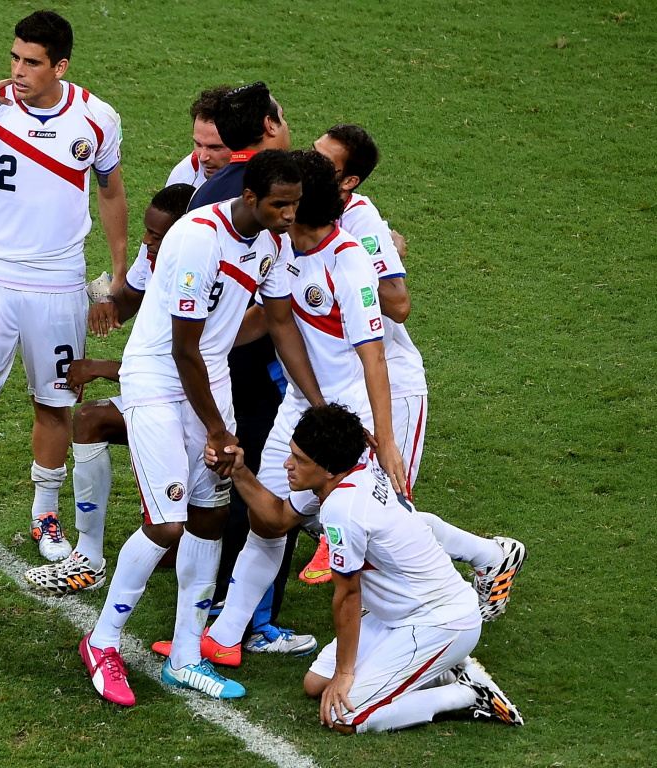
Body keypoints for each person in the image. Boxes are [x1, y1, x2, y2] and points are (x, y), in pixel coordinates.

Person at [79, 151, 324, 706]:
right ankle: (102, 641)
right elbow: (183, 347)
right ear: (251, 198)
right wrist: (218, 430)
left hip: (207, 383)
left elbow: (281, 321)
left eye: (295, 205)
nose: (290, 215)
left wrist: (318, 403)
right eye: (280, 205)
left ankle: (187, 656)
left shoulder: (272, 242)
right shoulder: (198, 237)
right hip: (160, 381)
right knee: (168, 525)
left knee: (210, 519)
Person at [0, 10, 129, 564]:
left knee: (55, 404)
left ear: (59, 65)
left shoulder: (96, 118)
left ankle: (45, 514)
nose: (17, 70)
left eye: (31, 62)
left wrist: (116, 274)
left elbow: (111, 194)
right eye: (14, 57)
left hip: (59, 286)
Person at [300, 125, 527, 602]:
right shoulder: (300, 205)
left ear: (349, 182)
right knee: (312, 501)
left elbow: (399, 304)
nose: (311, 162)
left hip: (390, 379)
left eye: (326, 162)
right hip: (342, 377)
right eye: (312, 152)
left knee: (385, 511)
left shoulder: (357, 218)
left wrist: (356, 254)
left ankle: (474, 573)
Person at [199, 150, 408, 668]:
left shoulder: (348, 260)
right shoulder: (278, 244)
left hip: (343, 423)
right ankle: (224, 636)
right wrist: (204, 348)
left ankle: (421, 627)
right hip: (298, 408)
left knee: (373, 540)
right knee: (267, 522)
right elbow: (271, 317)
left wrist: (384, 438)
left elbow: (374, 356)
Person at [214, 404, 524, 732]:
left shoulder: (343, 509)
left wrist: (346, 673)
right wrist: (238, 470)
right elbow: (276, 520)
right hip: (395, 614)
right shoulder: (349, 470)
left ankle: (466, 694)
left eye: (300, 460)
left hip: (438, 622)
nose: (287, 465)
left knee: (342, 717)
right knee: (315, 684)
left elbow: (348, 594)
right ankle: (437, 667)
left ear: (329, 469)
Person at [23, 183, 194, 594]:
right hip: (165, 394)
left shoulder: (195, 280)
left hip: (192, 404)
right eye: (146, 234)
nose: (145, 243)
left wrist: (100, 367)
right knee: (92, 419)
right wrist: (85, 305)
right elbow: (128, 298)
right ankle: (89, 556)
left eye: (155, 237)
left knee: (176, 538)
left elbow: (180, 363)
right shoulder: (160, 256)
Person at [187, 82, 307, 656]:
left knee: (217, 485)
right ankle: (247, 621)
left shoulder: (207, 191)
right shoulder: (277, 200)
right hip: (247, 370)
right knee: (256, 488)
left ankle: (207, 603)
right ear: (267, 125)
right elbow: (279, 307)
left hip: (207, 364)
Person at [165, 86, 232, 190]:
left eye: (215, 148)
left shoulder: (263, 174)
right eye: (198, 144)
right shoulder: (182, 179)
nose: (203, 157)